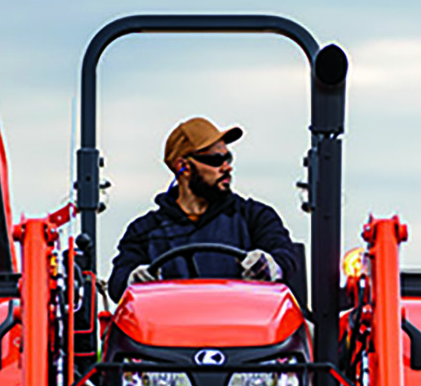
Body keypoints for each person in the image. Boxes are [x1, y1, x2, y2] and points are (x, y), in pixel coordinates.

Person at [107, 117, 305, 306]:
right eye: (216, 159)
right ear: (183, 167)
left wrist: (270, 266)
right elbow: (118, 284)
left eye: (228, 158)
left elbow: (285, 256)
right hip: (170, 336)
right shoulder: (144, 231)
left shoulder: (255, 217)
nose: (227, 167)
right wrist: (133, 280)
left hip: (246, 334)